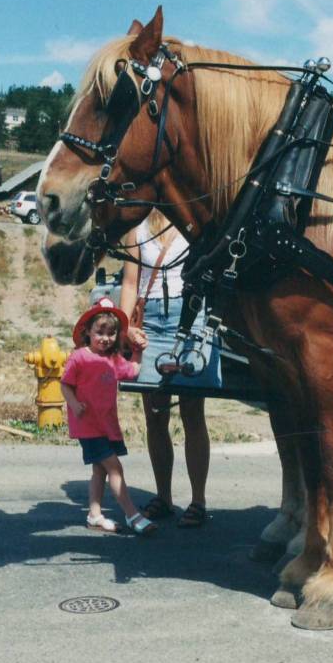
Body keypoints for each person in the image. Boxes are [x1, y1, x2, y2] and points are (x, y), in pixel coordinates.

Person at [119, 210, 221, 528]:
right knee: (155, 414)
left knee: (192, 412)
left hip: (190, 316)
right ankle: (164, 497)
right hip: (150, 320)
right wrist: (125, 328)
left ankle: (198, 501)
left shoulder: (194, 220)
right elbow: (130, 282)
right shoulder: (136, 227)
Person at [61, 297, 156, 536]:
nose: (105, 338)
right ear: (88, 332)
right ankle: (132, 514)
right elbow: (65, 385)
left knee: (100, 470)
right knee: (115, 468)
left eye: (111, 333)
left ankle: (94, 514)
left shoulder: (113, 359)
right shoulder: (79, 357)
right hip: (88, 425)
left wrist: (137, 351)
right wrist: (74, 404)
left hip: (106, 424)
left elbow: (132, 371)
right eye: (99, 332)